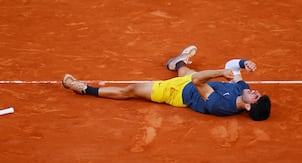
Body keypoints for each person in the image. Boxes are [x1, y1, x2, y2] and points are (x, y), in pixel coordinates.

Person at [62, 45, 271, 121]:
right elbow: (232, 66)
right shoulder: (243, 89)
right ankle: (177, 62)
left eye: (256, 96)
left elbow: (199, 80)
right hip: (191, 81)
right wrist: (244, 63)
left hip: (176, 94)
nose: (256, 91)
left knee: (132, 90)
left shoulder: (221, 106)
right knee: (186, 71)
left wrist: (219, 72)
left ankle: (84, 89)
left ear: (248, 105)